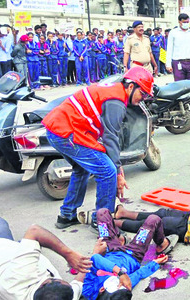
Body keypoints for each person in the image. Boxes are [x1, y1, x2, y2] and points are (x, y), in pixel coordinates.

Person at [42, 66, 154, 229]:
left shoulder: (114, 91)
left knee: (82, 169)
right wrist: (116, 171)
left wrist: (119, 168)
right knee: (107, 172)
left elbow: (109, 137)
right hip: (66, 132)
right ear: (131, 86)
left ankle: (67, 215)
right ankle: (103, 222)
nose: (142, 99)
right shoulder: (116, 101)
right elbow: (110, 137)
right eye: (142, 93)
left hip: (58, 130)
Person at [75, 208, 174, 300]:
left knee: (102, 213)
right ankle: (162, 242)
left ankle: (119, 238)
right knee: (154, 219)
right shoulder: (126, 284)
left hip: (110, 249)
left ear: (102, 289)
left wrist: (120, 272)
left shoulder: (89, 290)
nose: (121, 281)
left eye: (119, 283)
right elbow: (139, 274)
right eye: (123, 285)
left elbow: (95, 258)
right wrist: (155, 263)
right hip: (133, 253)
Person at [166, 13, 190, 81]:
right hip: (178, 62)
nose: (186, 24)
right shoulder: (173, 33)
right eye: (184, 22)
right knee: (180, 85)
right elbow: (169, 49)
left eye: (187, 22)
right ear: (179, 21)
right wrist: (168, 64)